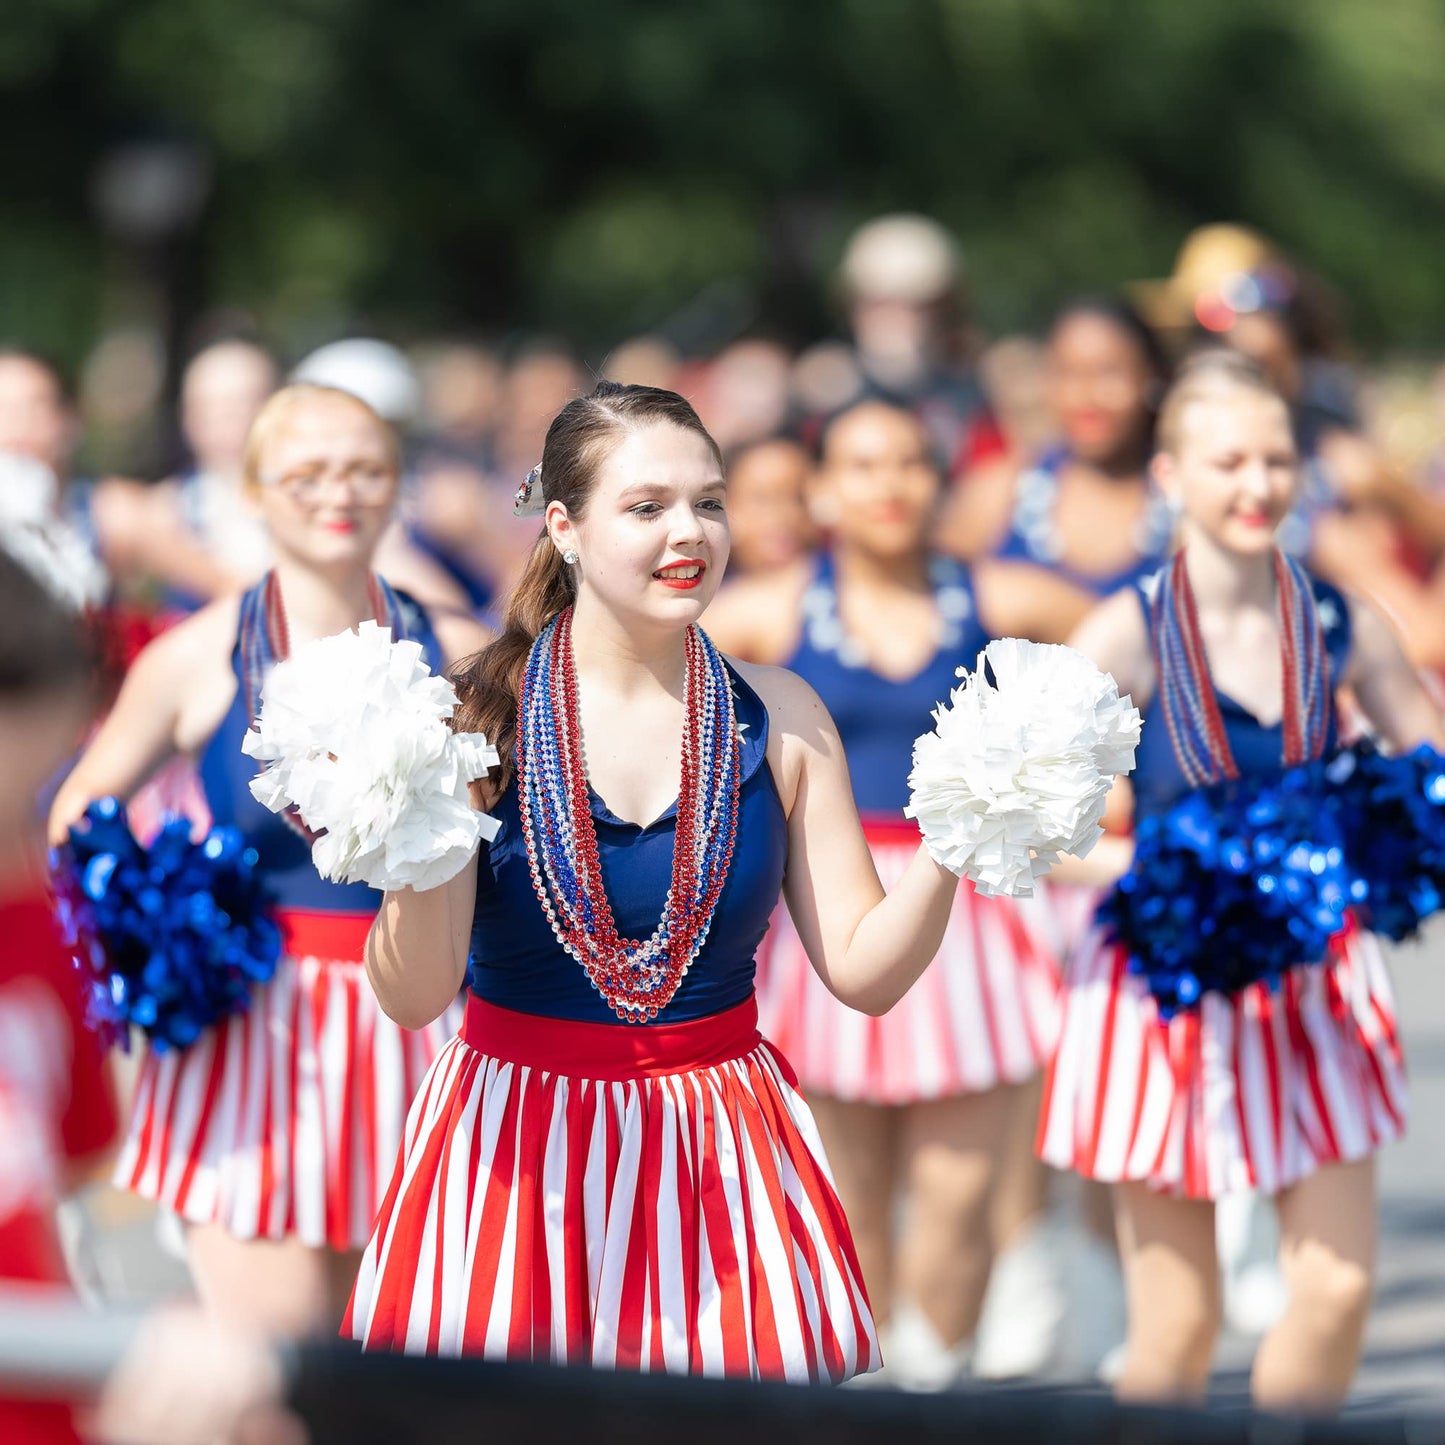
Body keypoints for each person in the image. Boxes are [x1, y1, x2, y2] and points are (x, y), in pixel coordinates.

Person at [344, 381, 1035, 1381]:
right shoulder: (465, 717)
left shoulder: (781, 712)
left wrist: (962, 826)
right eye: (646, 506)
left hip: (720, 1140)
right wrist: (407, 821)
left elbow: (865, 971)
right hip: (514, 1143)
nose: (690, 531)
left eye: (708, 502)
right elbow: (413, 996)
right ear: (564, 527)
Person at [1037, 351, 1445, 1408]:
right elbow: (1022, 826)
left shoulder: (1341, 623)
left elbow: (1429, 776)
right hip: (1164, 990)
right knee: (1176, 1323)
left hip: (1314, 981)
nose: (1255, 483)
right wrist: (1159, 865)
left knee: (1336, 1284)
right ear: (1169, 473)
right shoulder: (1123, 629)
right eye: (1226, 461)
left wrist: (1376, 844)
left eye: (1275, 458)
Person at [48, 383, 487, 1339]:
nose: (341, 493)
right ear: (255, 491)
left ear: (396, 486)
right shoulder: (197, 653)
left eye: (367, 470)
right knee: (267, 1365)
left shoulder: (462, 651)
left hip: (428, 1026)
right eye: (309, 473)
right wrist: (162, 917)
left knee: (398, 1371)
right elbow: (75, 816)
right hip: (255, 1032)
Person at [703, 398, 1092, 1385]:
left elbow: (1117, 691)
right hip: (829, 918)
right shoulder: (767, 609)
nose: (887, 484)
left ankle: (930, 1377)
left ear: (937, 480)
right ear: (821, 488)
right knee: (849, 1194)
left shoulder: (1004, 597)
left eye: (910, 462)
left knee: (961, 1196)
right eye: (861, 465)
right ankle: (865, 1390)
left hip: (968, 917)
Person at [941, 297, 1174, 595]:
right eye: (1068, 373)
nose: (1087, 397)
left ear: (1151, 377)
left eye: (1109, 373)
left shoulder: (1188, 499)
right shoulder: (995, 497)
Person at [718, 435, 816, 578]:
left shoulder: (840, 587)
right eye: (762, 499)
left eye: (799, 498)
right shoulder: (706, 594)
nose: (785, 515)